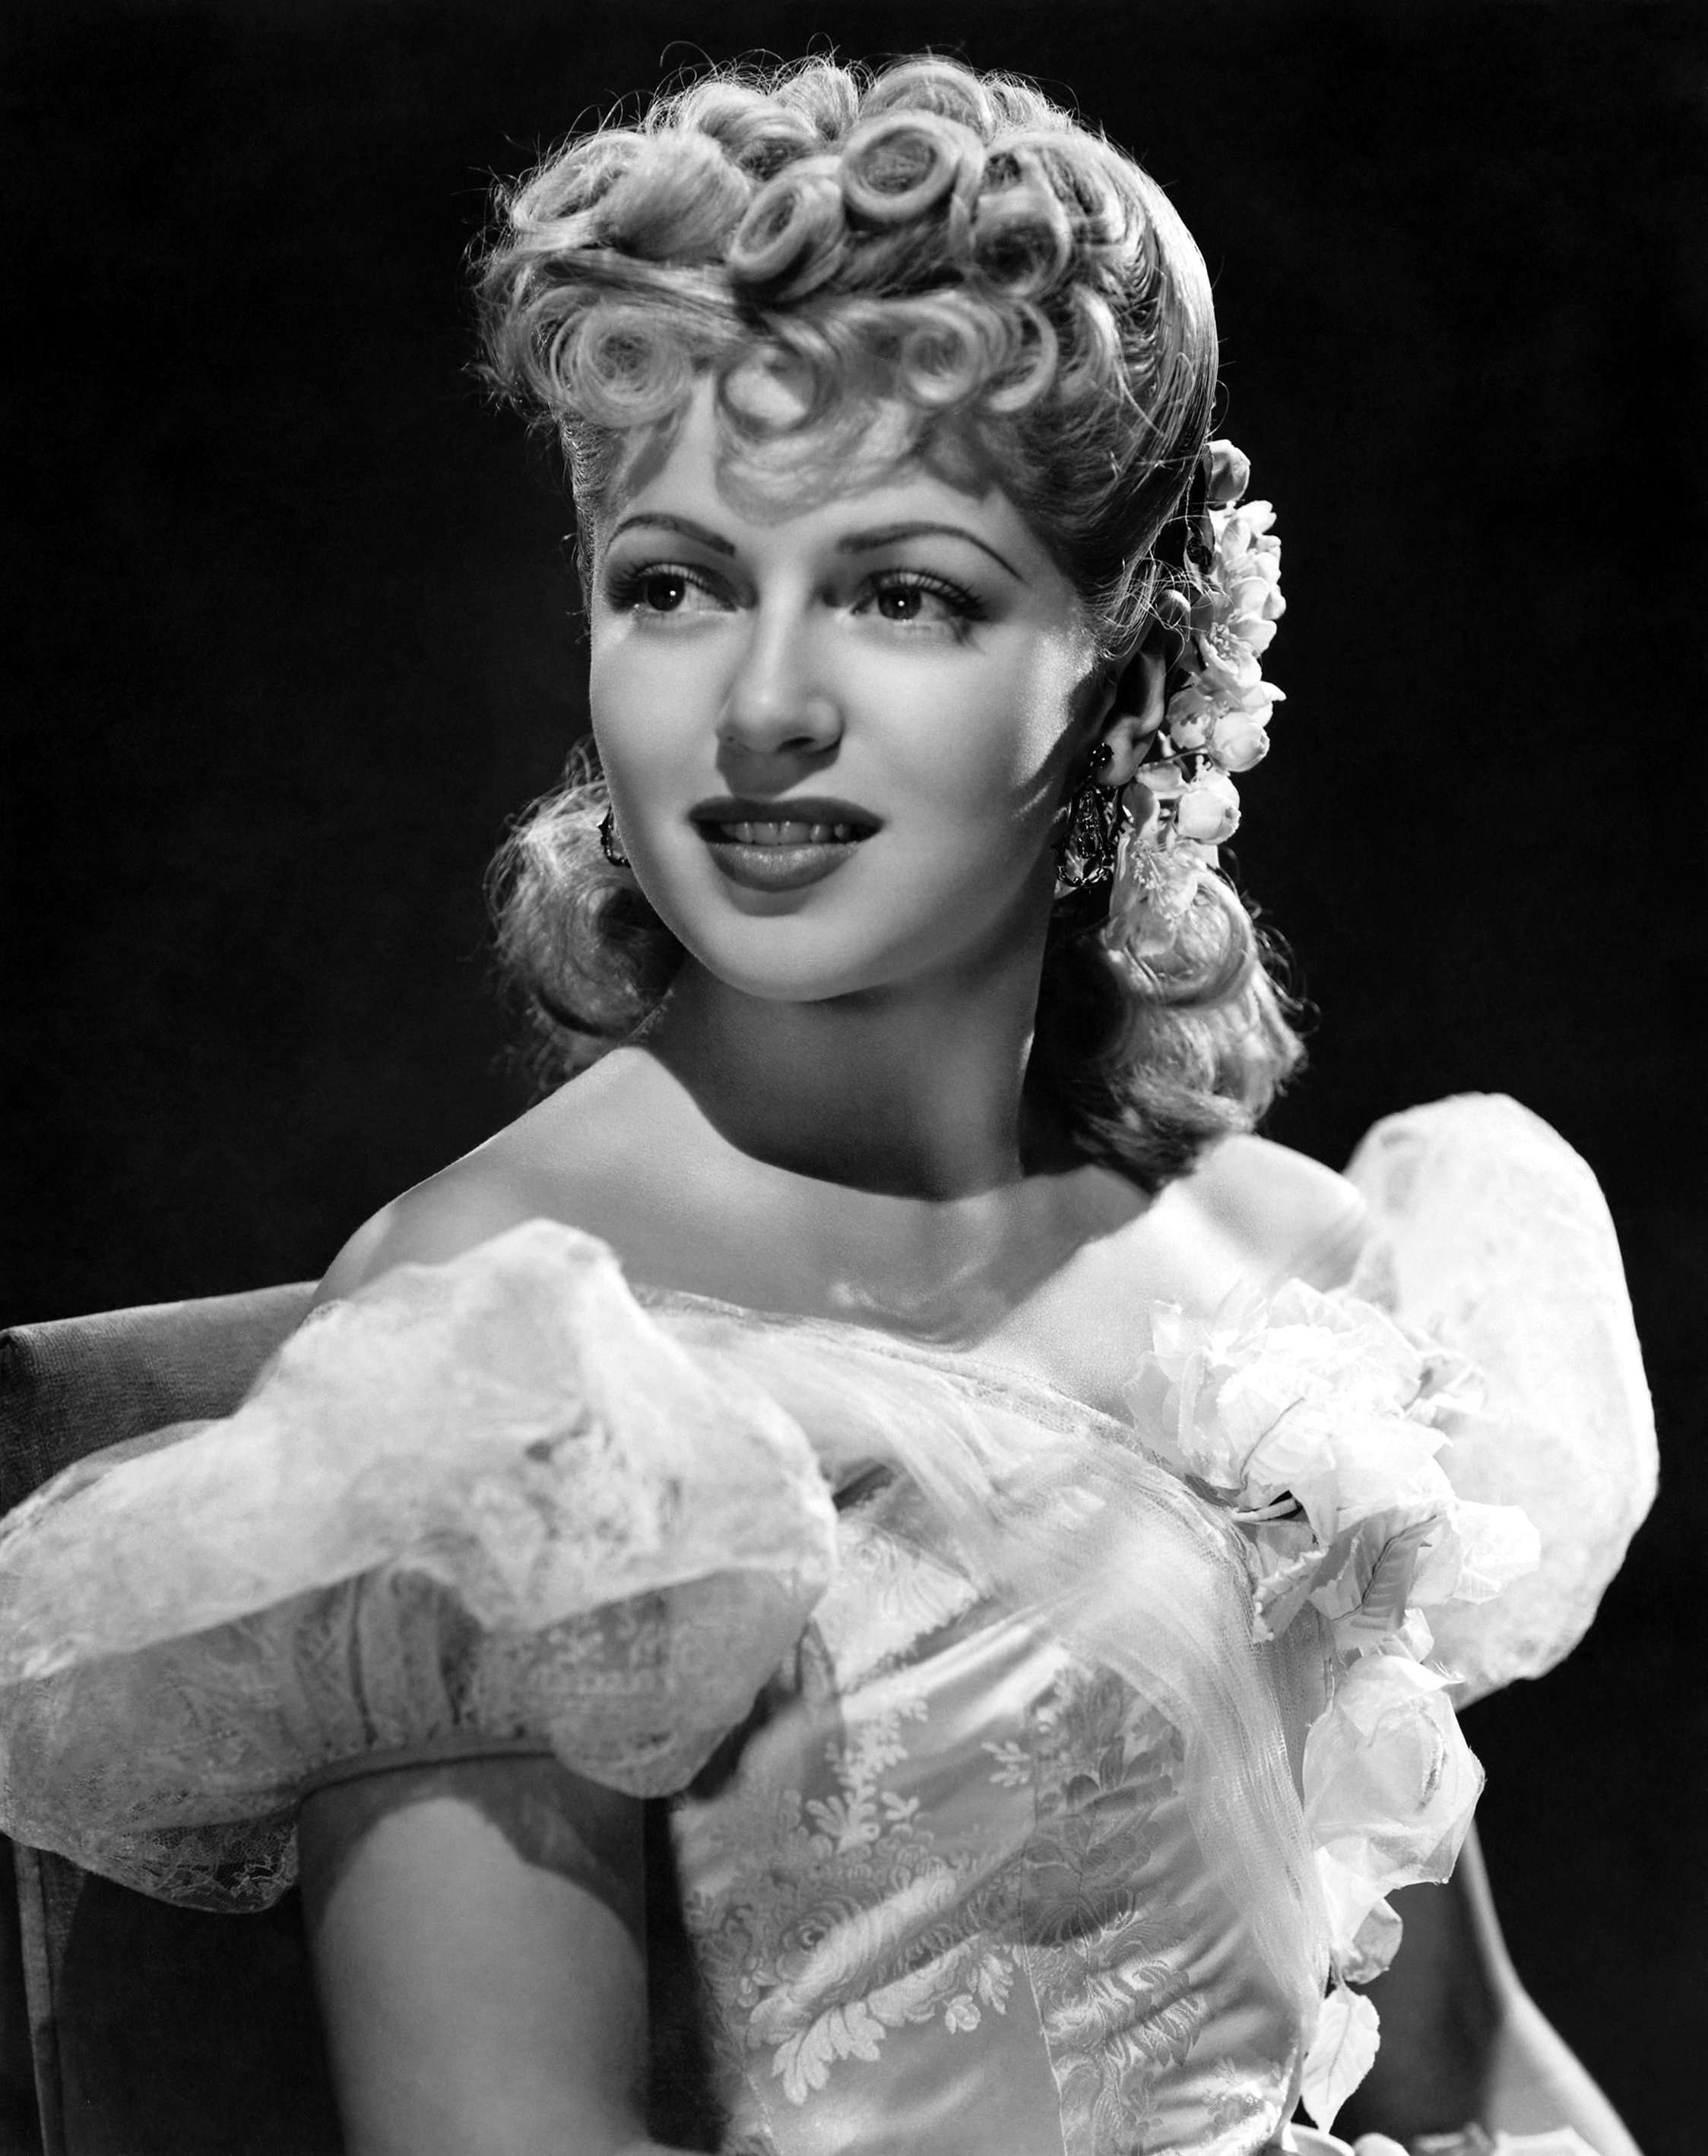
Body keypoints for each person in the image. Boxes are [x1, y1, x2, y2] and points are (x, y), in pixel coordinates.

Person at [0, 53, 1656, 2156]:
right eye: (674, 583)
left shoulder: (1291, 1263)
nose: (763, 708)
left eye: (903, 592)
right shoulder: (499, 1325)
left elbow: (1467, 2066)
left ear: (1132, 664)